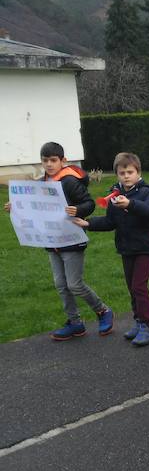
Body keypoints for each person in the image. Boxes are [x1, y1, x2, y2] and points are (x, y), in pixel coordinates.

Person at [4, 142, 114, 340]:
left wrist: (78, 210)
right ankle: (75, 322)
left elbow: (88, 203)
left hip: (72, 239)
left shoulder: (69, 181)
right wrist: (17, 206)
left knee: (75, 284)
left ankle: (103, 311)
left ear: (62, 160)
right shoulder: (42, 181)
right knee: (61, 285)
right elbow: (33, 205)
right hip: (52, 241)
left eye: (53, 160)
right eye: (45, 161)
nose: (49, 164)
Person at [71, 152, 149, 347]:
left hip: (147, 245)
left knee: (139, 285)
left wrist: (131, 204)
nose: (126, 176)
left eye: (130, 172)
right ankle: (138, 321)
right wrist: (88, 223)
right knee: (131, 286)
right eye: (122, 173)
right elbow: (110, 221)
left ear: (138, 172)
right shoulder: (115, 194)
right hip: (127, 245)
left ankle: (148, 325)